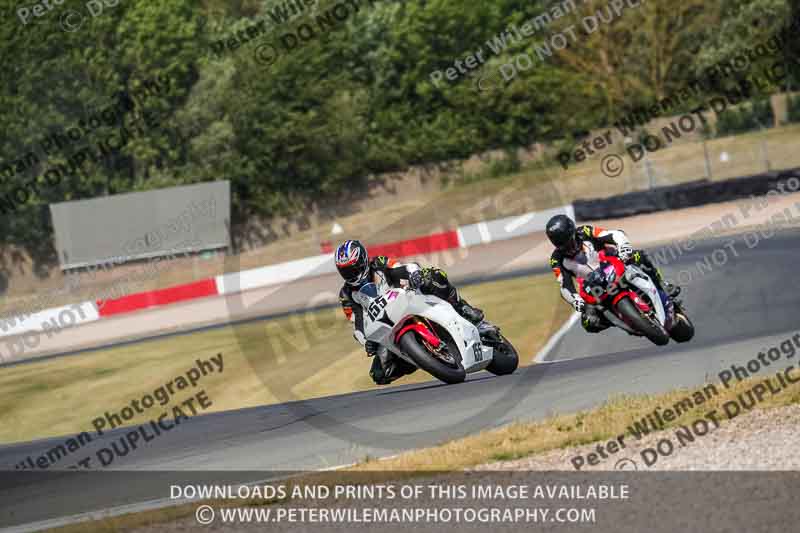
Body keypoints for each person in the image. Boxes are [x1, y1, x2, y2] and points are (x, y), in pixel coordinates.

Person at [335, 239, 484, 384]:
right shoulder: (346, 294)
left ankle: (463, 307)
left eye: (352, 268)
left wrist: (413, 274)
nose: (350, 274)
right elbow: (357, 322)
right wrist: (366, 341)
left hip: (408, 297)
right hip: (386, 324)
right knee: (379, 374)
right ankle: (421, 357)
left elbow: (401, 267)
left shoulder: (379, 263)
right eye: (345, 271)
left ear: (362, 260)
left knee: (433, 275)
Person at [545, 214, 680, 333]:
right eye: (563, 246)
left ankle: (661, 283)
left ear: (573, 232)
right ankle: (617, 320)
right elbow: (564, 285)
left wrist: (623, 247)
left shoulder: (585, 231)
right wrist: (576, 301)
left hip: (614, 263)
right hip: (593, 287)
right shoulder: (556, 259)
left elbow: (614, 234)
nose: (569, 248)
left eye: (570, 242)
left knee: (638, 256)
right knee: (588, 323)